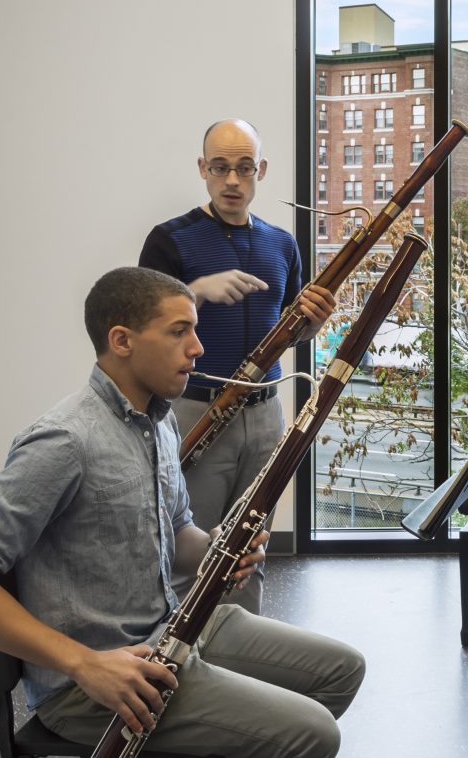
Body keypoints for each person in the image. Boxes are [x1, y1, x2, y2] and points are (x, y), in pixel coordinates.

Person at [0, 267, 363, 757]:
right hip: (90, 684)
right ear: (122, 341)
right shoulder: (65, 440)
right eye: (180, 331)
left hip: (170, 633)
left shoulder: (160, 424)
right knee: (313, 733)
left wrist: (218, 548)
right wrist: (83, 664)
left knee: (342, 670)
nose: (197, 347)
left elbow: (176, 534)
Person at [137, 118, 334, 615]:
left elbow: (294, 330)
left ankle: (243, 660)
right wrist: (194, 293)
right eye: (220, 167)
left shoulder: (283, 245)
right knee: (192, 550)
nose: (232, 180)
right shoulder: (170, 240)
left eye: (244, 168)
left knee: (251, 547)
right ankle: (183, 669)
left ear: (260, 171)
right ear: (203, 169)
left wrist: (312, 322)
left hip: (265, 416)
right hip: (194, 409)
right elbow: (141, 328)